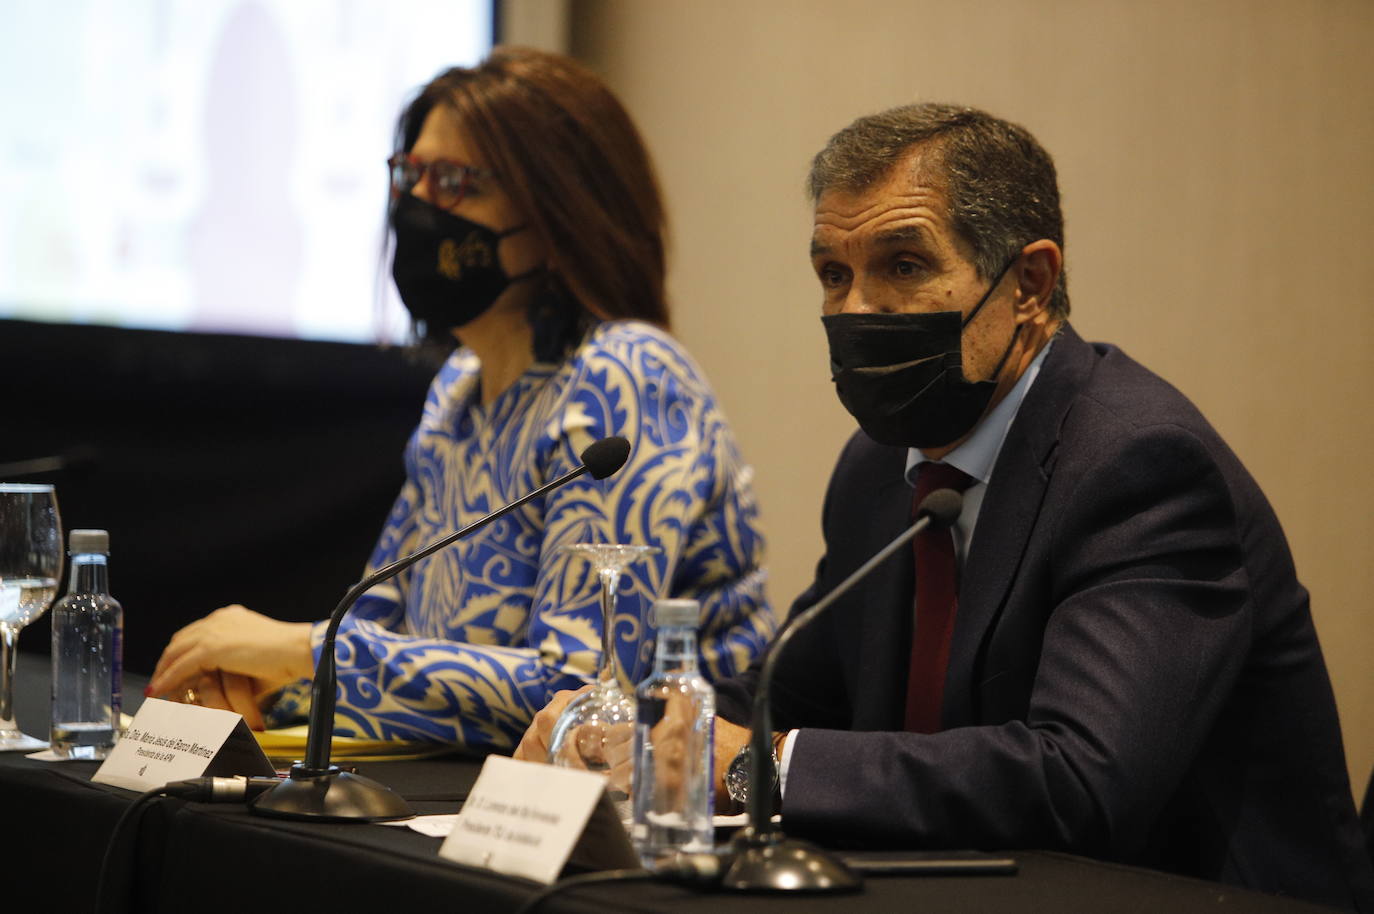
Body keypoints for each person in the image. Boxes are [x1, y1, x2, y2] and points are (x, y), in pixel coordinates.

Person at [518, 103, 1374, 910]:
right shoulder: (879, 471)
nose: (855, 311)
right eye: (833, 274)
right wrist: (626, 726)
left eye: (903, 265)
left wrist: (759, 767)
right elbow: (790, 695)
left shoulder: (1141, 465)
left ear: (1029, 284)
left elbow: (1080, 782)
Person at [146, 47, 776, 752]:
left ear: (557, 213)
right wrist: (253, 681)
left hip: (669, 813)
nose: (417, 208)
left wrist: (304, 653)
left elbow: (580, 692)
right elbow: (374, 627)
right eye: (408, 177)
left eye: (453, 182)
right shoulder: (459, 390)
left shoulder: (624, 375)